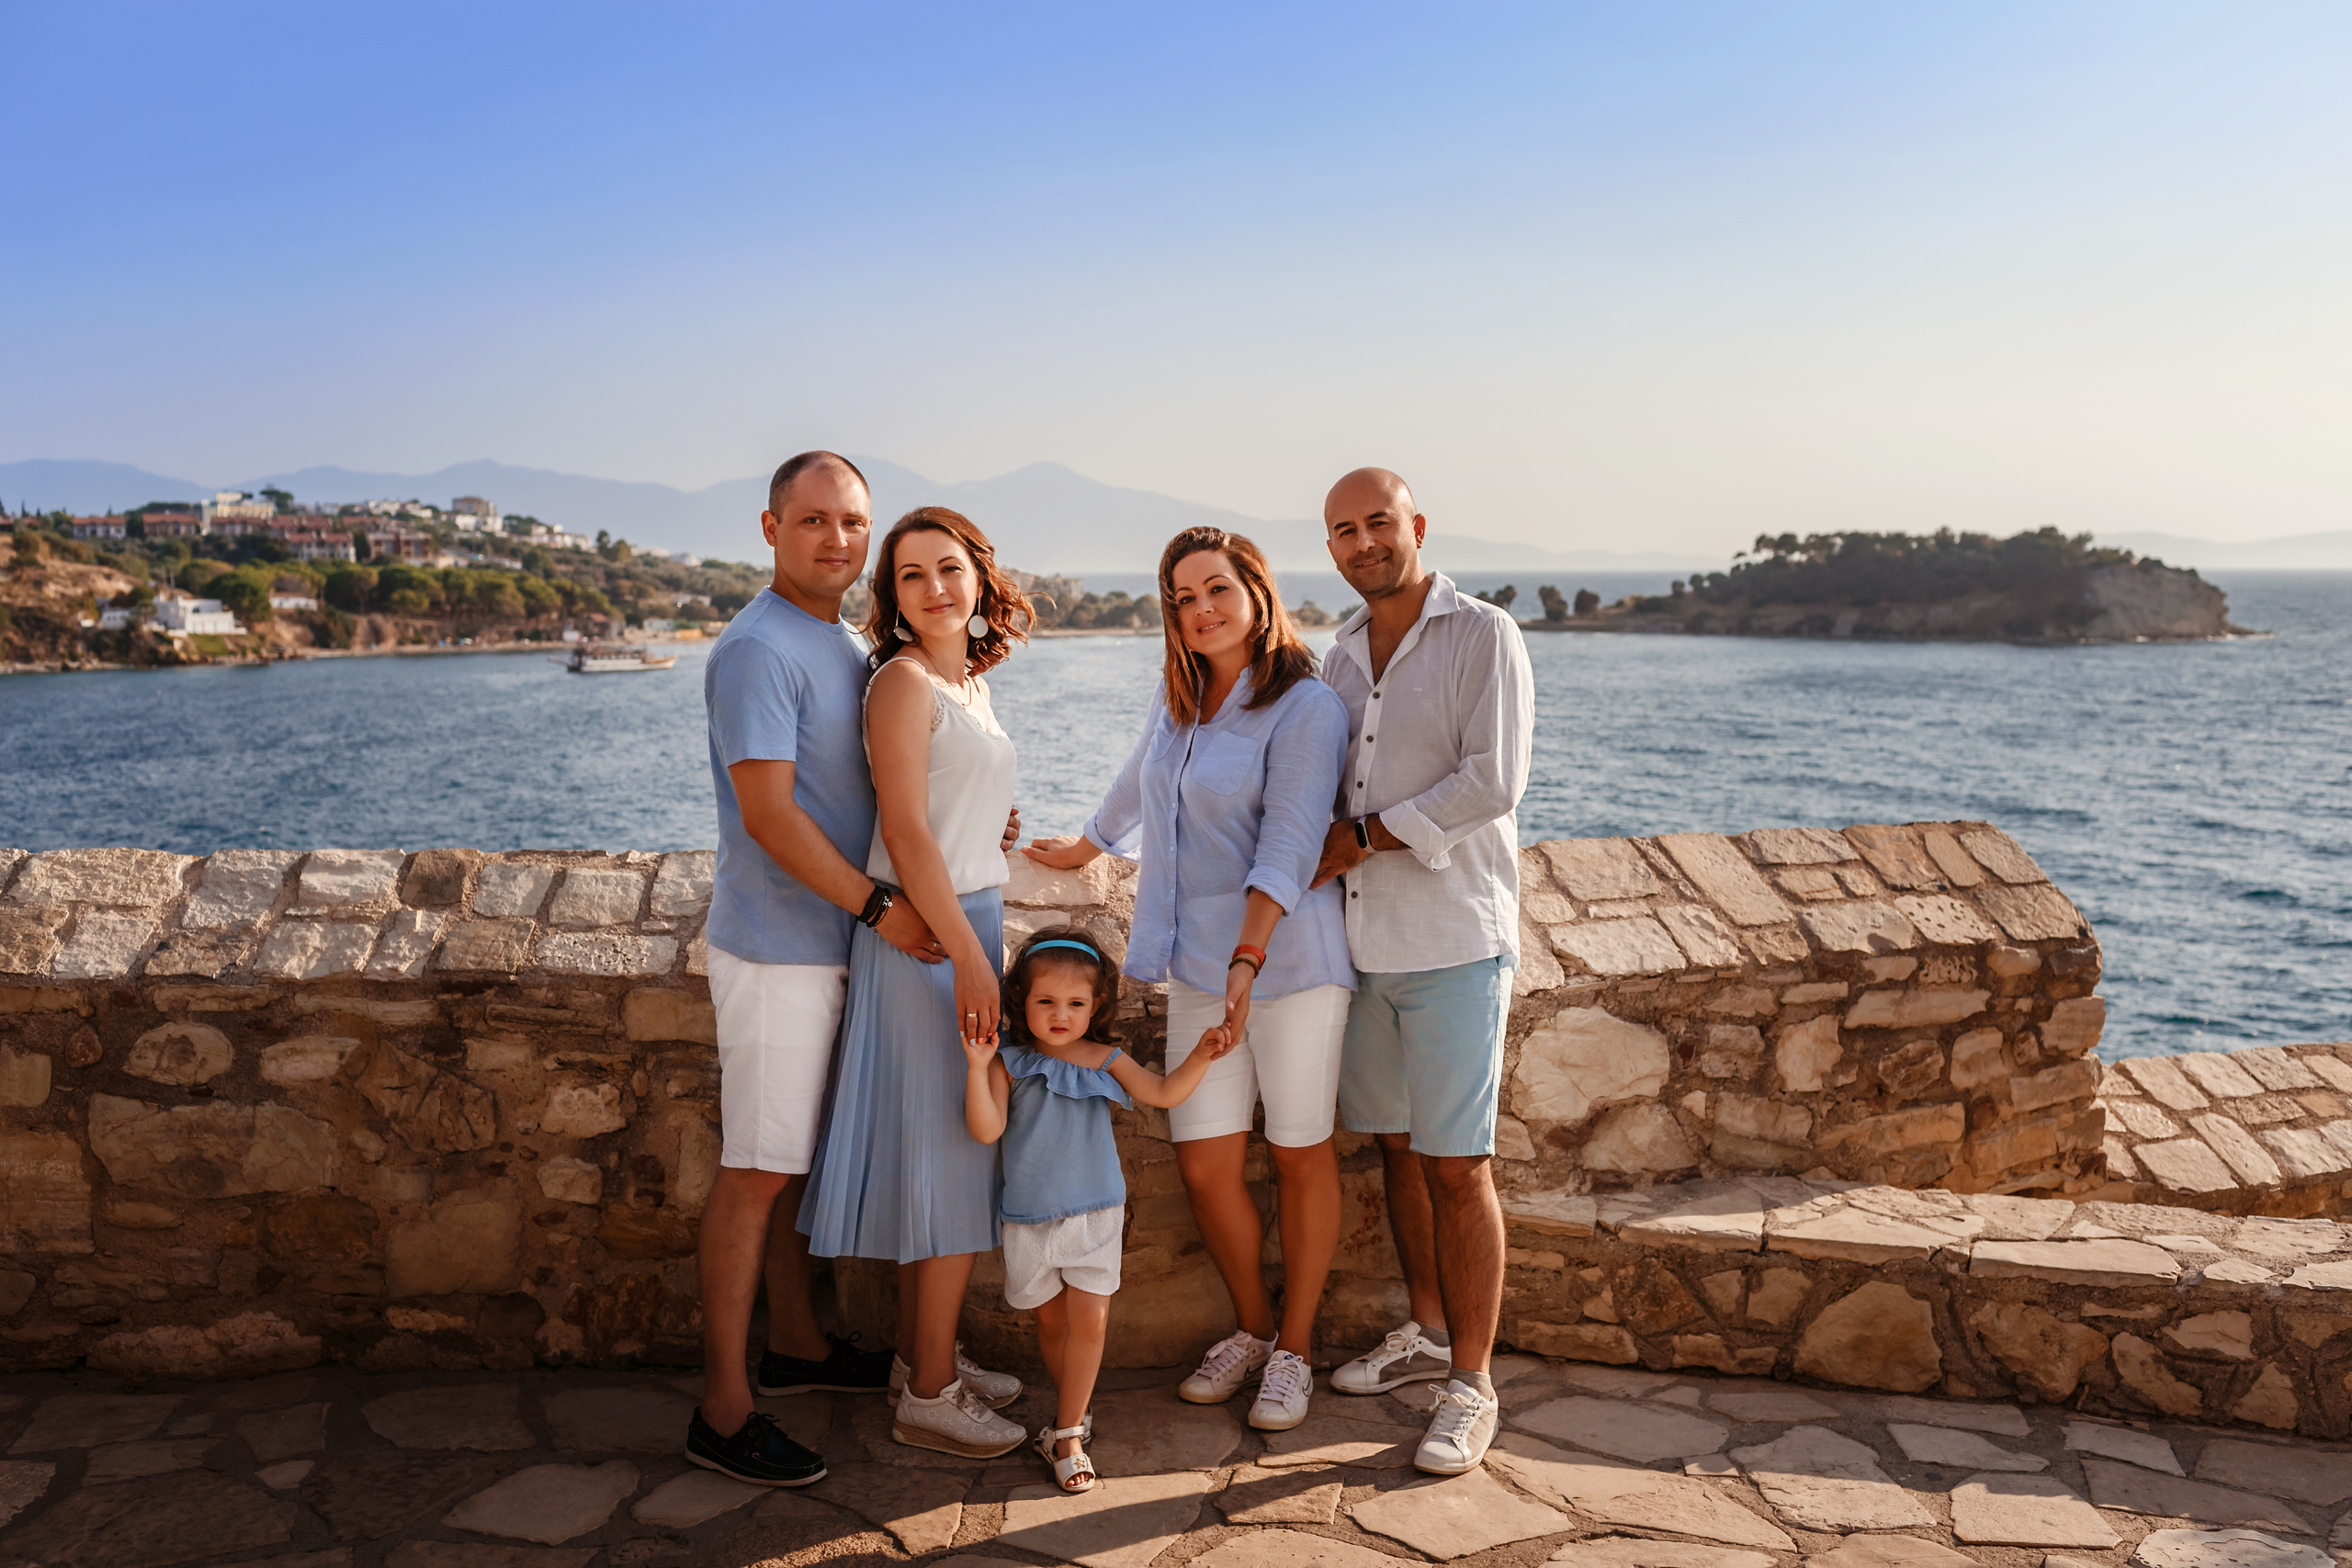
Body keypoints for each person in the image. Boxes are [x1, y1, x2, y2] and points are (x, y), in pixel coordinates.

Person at [1024, 526, 1352, 1433]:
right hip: (1198, 967)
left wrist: (1247, 960)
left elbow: (1289, 843)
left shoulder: (1305, 707)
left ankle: (1293, 1350)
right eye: (1182, 597)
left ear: (1256, 590)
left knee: (1296, 1153)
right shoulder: (1180, 699)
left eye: (1216, 589)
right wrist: (1086, 845)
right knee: (1206, 1165)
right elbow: (1141, 781)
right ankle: (1249, 1328)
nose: (1200, 610)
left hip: (1286, 964)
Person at [688, 451, 950, 1487]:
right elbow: (767, 816)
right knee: (755, 1171)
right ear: (770, 528)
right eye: (813, 522)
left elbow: (873, 784)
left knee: (787, 1162)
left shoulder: (840, 641)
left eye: (852, 523)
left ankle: (797, 1346)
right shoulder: (757, 649)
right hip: (777, 950)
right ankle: (722, 1407)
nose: (836, 540)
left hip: (833, 942)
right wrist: (880, 907)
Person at [797, 505, 1035, 1459]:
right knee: (945, 1161)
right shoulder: (900, 682)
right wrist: (974, 955)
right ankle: (930, 1392)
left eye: (949, 569)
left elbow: (946, 807)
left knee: (950, 1154)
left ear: (979, 578)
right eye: (911, 576)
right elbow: (902, 832)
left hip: (964, 916)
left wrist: (995, 825)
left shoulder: (964, 682)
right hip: (930, 942)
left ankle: (921, 1359)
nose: (935, 588)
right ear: (891, 598)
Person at [1311, 467, 1533, 1476]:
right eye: (1343, 531)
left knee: (1458, 1166)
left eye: (1378, 523)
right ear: (1331, 549)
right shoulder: (1338, 656)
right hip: (1362, 951)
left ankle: (1472, 1386)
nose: (1363, 543)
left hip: (1453, 944)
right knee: (1398, 1152)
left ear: (1416, 527)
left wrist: (1361, 836)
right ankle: (1428, 1334)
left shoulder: (1482, 634)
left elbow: (1491, 781)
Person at [962, 930, 1237, 1492]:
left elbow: (1163, 1094)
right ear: (1021, 1001)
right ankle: (1074, 1412)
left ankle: (1066, 1434)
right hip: (1030, 1218)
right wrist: (975, 1065)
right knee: (1050, 1321)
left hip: (1096, 1214)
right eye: (1046, 1002)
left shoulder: (1106, 1059)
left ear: (1097, 1006)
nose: (1060, 1014)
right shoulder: (1007, 1064)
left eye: (1076, 1004)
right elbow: (986, 1129)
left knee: (1090, 1320)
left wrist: (1202, 1055)